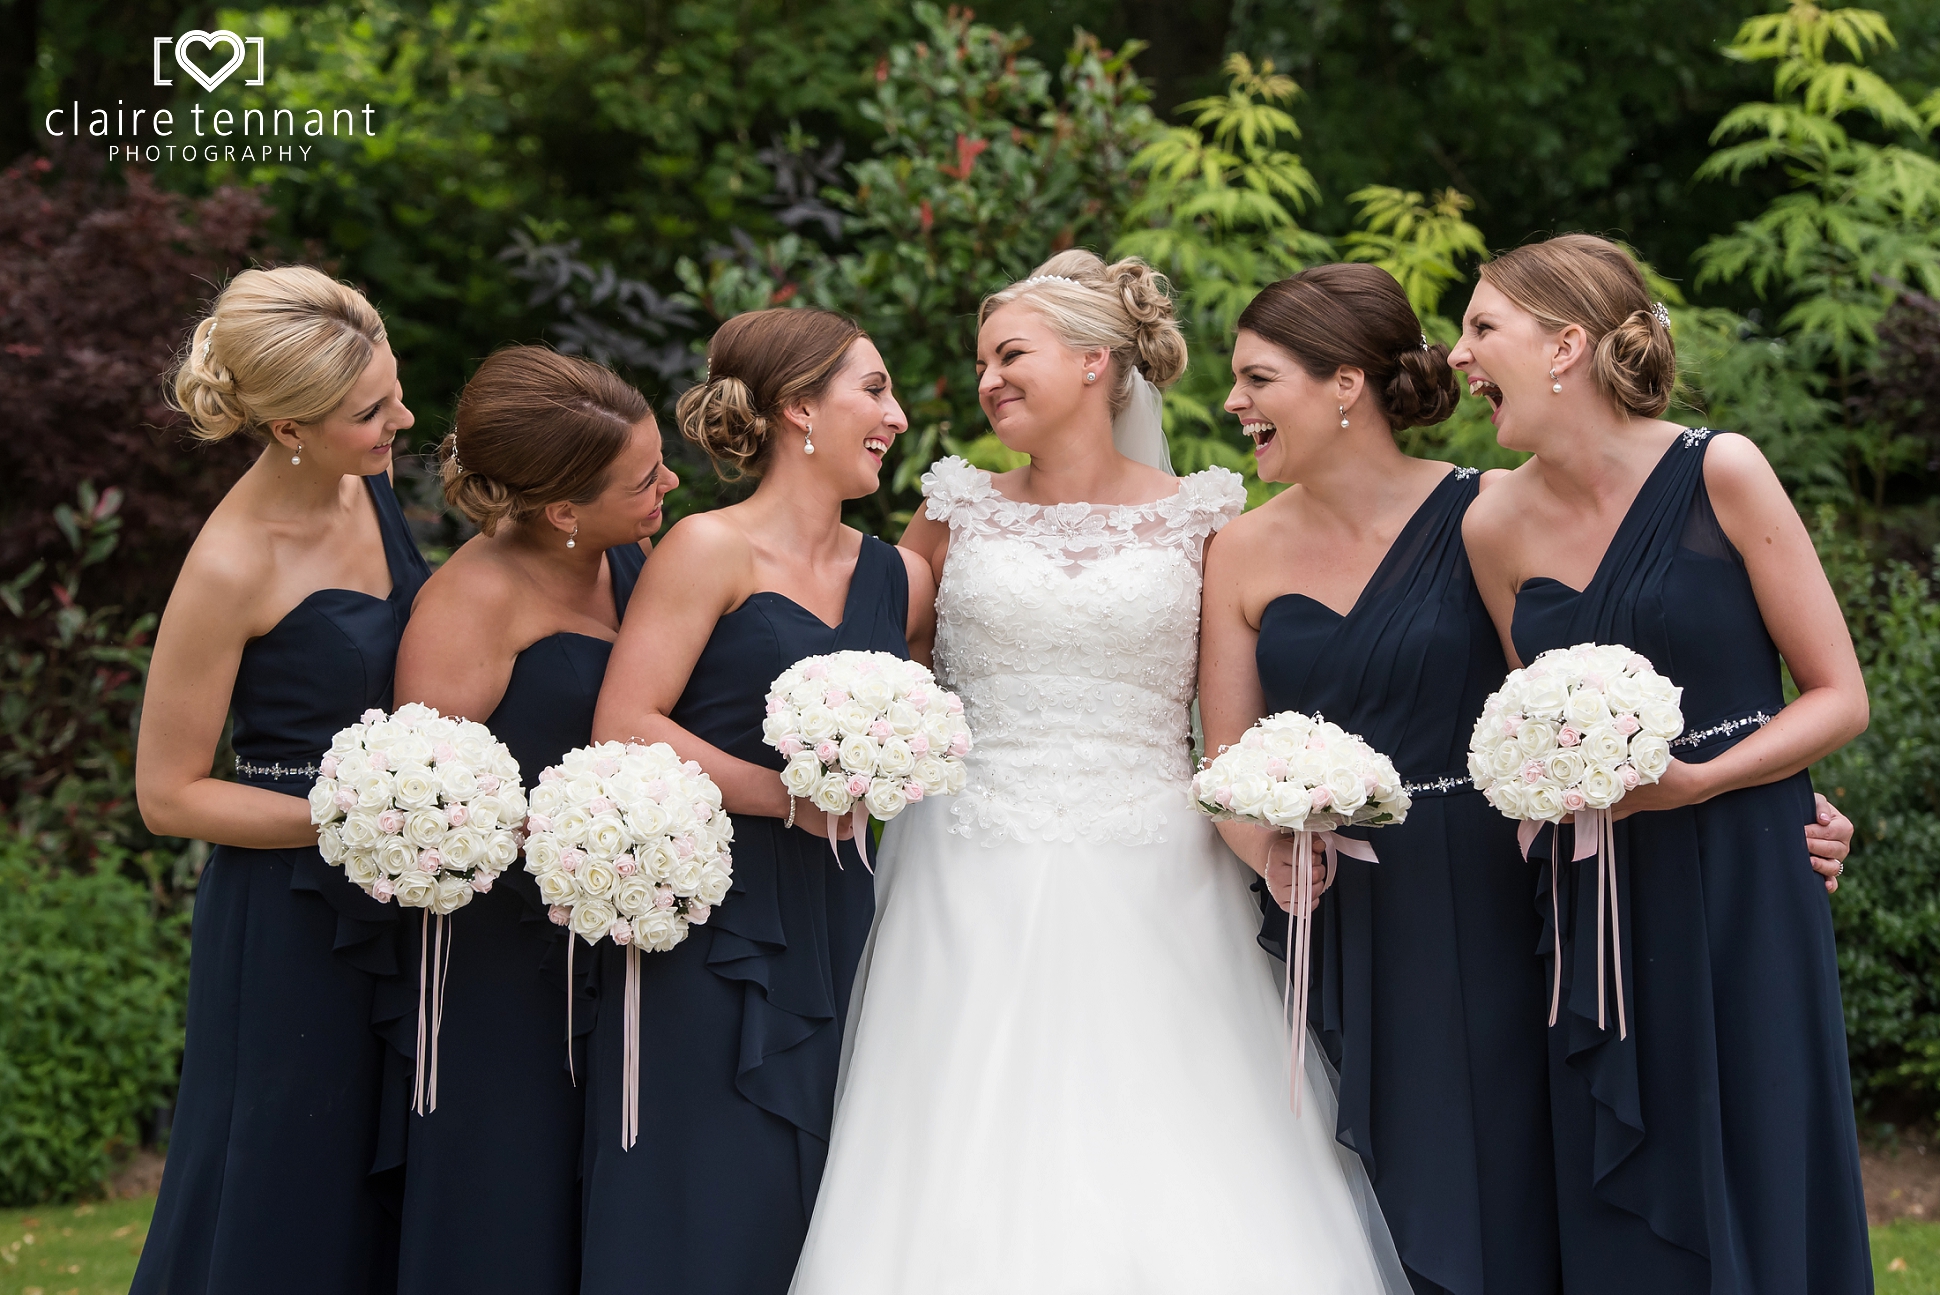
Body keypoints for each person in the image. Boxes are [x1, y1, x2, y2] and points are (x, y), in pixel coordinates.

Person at [791, 250, 1409, 1294]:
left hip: (1156, 861)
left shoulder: (1206, 517)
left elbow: (1228, 737)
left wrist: (1269, 843)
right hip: (966, 860)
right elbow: (875, 661)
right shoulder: (954, 506)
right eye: (981, 359)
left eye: (1010, 354)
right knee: (956, 1128)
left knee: (1175, 1130)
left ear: (1093, 362)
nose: (987, 379)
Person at [1456, 233, 1872, 1294]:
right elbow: (1531, 722)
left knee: (1756, 1139)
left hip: (1743, 870)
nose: (1457, 355)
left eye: (1478, 328)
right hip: (1597, 883)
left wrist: (1709, 780)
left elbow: (1834, 693)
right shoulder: (1490, 521)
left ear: (1563, 345)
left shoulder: (1717, 468)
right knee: (1622, 1172)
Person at [1198, 262, 1561, 1295]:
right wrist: (1265, 848)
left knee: (1505, 1155)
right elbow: (1222, 761)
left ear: (1344, 383)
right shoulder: (1238, 551)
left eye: (1257, 378)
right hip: (1334, 906)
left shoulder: (1487, 509)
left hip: (1492, 892)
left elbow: (1571, 695)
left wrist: (1773, 798)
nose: (1233, 403)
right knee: (1357, 1180)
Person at [582, 308, 934, 1294]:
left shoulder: (893, 574)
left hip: (845, 914)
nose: (896, 415)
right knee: (710, 1183)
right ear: (796, 409)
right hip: (716, 921)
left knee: (833, 1191)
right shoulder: (706, 548)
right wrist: (788, 800)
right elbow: (624, 717)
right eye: (872, 389)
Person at [132, 266, 428, 1295]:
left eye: (391, 389)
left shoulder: (370, 484)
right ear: (288, 428)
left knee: (377, 1177)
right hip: (286, 913)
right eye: (370, 411)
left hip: (403, 883)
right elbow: (168, 794)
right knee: (281, 1178)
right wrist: (355, 820)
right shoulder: (229, 564)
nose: (401, 417)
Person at [381, 346, 677, 1295]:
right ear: (560, 510)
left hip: (616, 933)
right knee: (504, 1199)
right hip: (497, 965)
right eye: (644, 479)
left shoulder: (625, 556)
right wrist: (572, 835)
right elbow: (424, 809)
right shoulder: (471, 600)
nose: (669, 483)